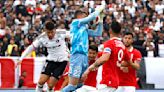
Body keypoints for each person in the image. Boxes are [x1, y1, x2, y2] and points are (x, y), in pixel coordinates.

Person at [62, 5, 105, 92]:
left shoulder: (84, 28)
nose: (87, 18)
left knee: (80, 84)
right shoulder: (75, 23)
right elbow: (91, 17)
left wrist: (100, 20)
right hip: (77, 56)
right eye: (85, 15)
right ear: (79, 16)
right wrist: (98, 10)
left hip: (84, 57)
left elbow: (98, 33)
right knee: (72, 86)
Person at [17, 21, 69, 92]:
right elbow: (31, 48)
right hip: (50, 60)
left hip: (62, 61)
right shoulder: (42, 37)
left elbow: (75, 36)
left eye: (52, 32)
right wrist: (21, 58)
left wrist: (71, 50)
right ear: (45, 31)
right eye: (48, 32)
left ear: (55, 30)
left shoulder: (62, 33)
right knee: (41, 81)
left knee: (50, 85)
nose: (50, 34)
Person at [82, 21, 130, 92]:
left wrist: (90, 68)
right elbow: (128, 62)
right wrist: (118, 64)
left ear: (110, 30)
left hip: (107, 80)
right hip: (114, 81)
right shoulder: (122, 46)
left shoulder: (109, 43)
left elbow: (104, 58)